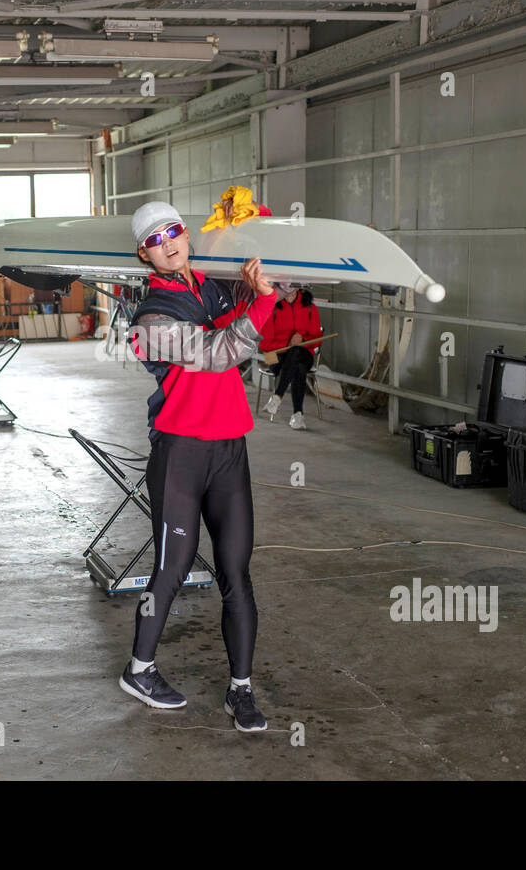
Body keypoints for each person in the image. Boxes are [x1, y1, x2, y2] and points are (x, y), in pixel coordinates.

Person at [119, 201, 277, 734]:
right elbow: (216, 351)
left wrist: (250, 225)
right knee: (172, 567)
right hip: (181, 452)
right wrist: (263, 303)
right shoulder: (149, 319)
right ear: (144, 253)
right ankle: (139, 669)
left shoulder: (209, 288)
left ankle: (241, 690)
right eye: (155, 238)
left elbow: (248, 281)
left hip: (230, 447)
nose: (169, 241)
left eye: (175, 230)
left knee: (236, 570)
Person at [260, 283, 323, 430]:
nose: (288, 291)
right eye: (284, 288)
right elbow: (264, 345)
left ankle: (277, 397)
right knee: (298, 367)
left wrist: (302, 341)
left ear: (298, 287)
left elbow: (317, 339)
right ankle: (297, 415)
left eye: (291, 287)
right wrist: (287, 342)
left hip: (304, 353)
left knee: (297, 353)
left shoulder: (309, 308)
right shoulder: (273, 308)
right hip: (276, 357)